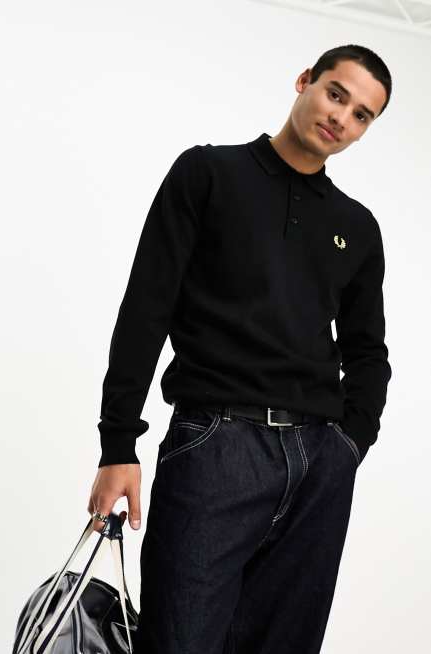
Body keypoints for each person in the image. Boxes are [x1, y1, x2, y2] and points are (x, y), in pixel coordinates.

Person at [88, 43, 392, 654]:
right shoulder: (208, 174)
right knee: (180, 640)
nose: (341, 118)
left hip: (317, 462)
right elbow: (146, 308)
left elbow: (367, 352)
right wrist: (118, 443)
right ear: (305, 81)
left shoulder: (357, 227)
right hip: (215, 448)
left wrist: (348, 446)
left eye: (361, 114)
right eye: (335, 94)